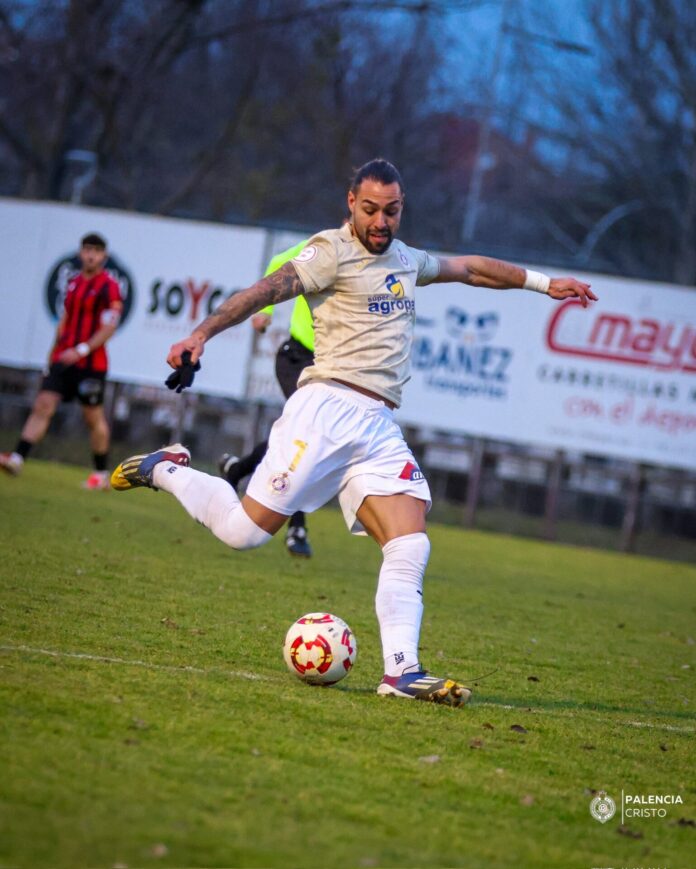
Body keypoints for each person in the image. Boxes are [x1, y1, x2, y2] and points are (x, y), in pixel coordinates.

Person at [111, 159, 597, 706]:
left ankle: (402, 673)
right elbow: (264, 291)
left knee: (410, 542)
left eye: (391, 210)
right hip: (324, 411)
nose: (381, 221)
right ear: (350, 203)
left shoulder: (407, 260)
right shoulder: (329, 252)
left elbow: (471, 269)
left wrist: (544, 283)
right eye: (370, 209)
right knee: (243, 534)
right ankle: (167, 468)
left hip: (378, 424)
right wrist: (201, 333)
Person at [0, 232, 123, 489]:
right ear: (80, 252)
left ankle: (100, 474)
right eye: (87, 249)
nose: (90, 255)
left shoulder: (108, 286)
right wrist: (52, 356)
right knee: (43, 404)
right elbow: (64, 321)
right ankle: (18, 457)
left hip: (91, 365)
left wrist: (81, 349)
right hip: (63, 360)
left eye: (96, 251)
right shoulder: (73, 282)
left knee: (93, 418)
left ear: (104, 256)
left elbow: (110, 326)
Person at [219, 238, 316, 557]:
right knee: (305, 437)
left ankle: (237, 470)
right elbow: (278, 262)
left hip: (330, 368)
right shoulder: (325, 246)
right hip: (297, 359)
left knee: (299, 439)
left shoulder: (374, 262)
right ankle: (297, 527)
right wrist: (266, 309)